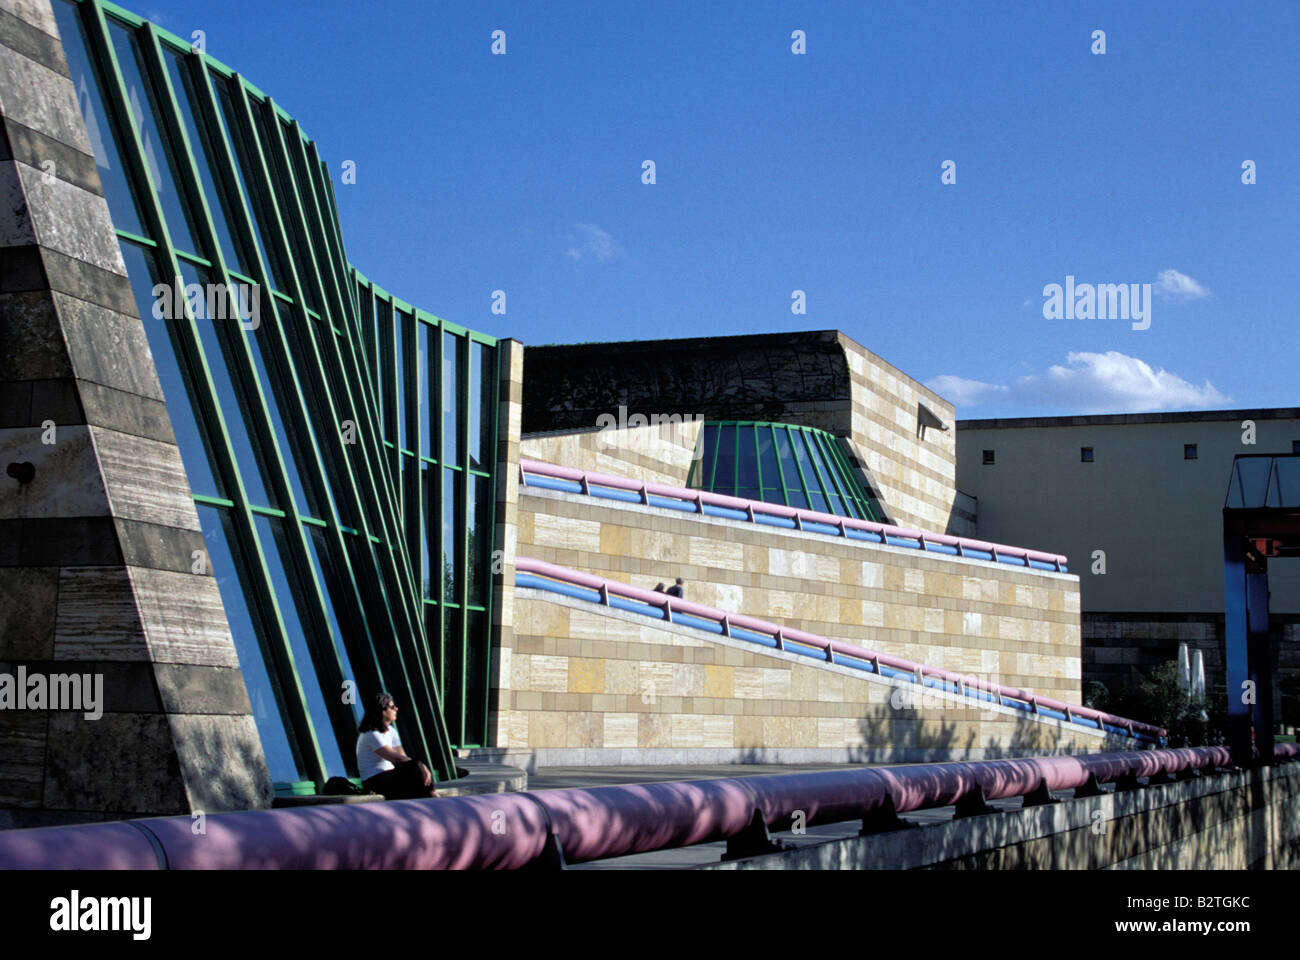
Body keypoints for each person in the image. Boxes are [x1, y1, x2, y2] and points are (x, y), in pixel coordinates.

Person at [356, 692, 438, 799]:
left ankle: (431, 796)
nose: (396, 709)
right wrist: (421, 766)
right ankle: (433, 797)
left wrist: (419, 768)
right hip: (373, 781)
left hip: (389, 776)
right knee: (416, 766)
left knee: (414, 768)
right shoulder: (371, 733)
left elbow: (403, 757)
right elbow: (396, 758)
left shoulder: (391, 731)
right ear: (383, 710)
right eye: (392, 707)